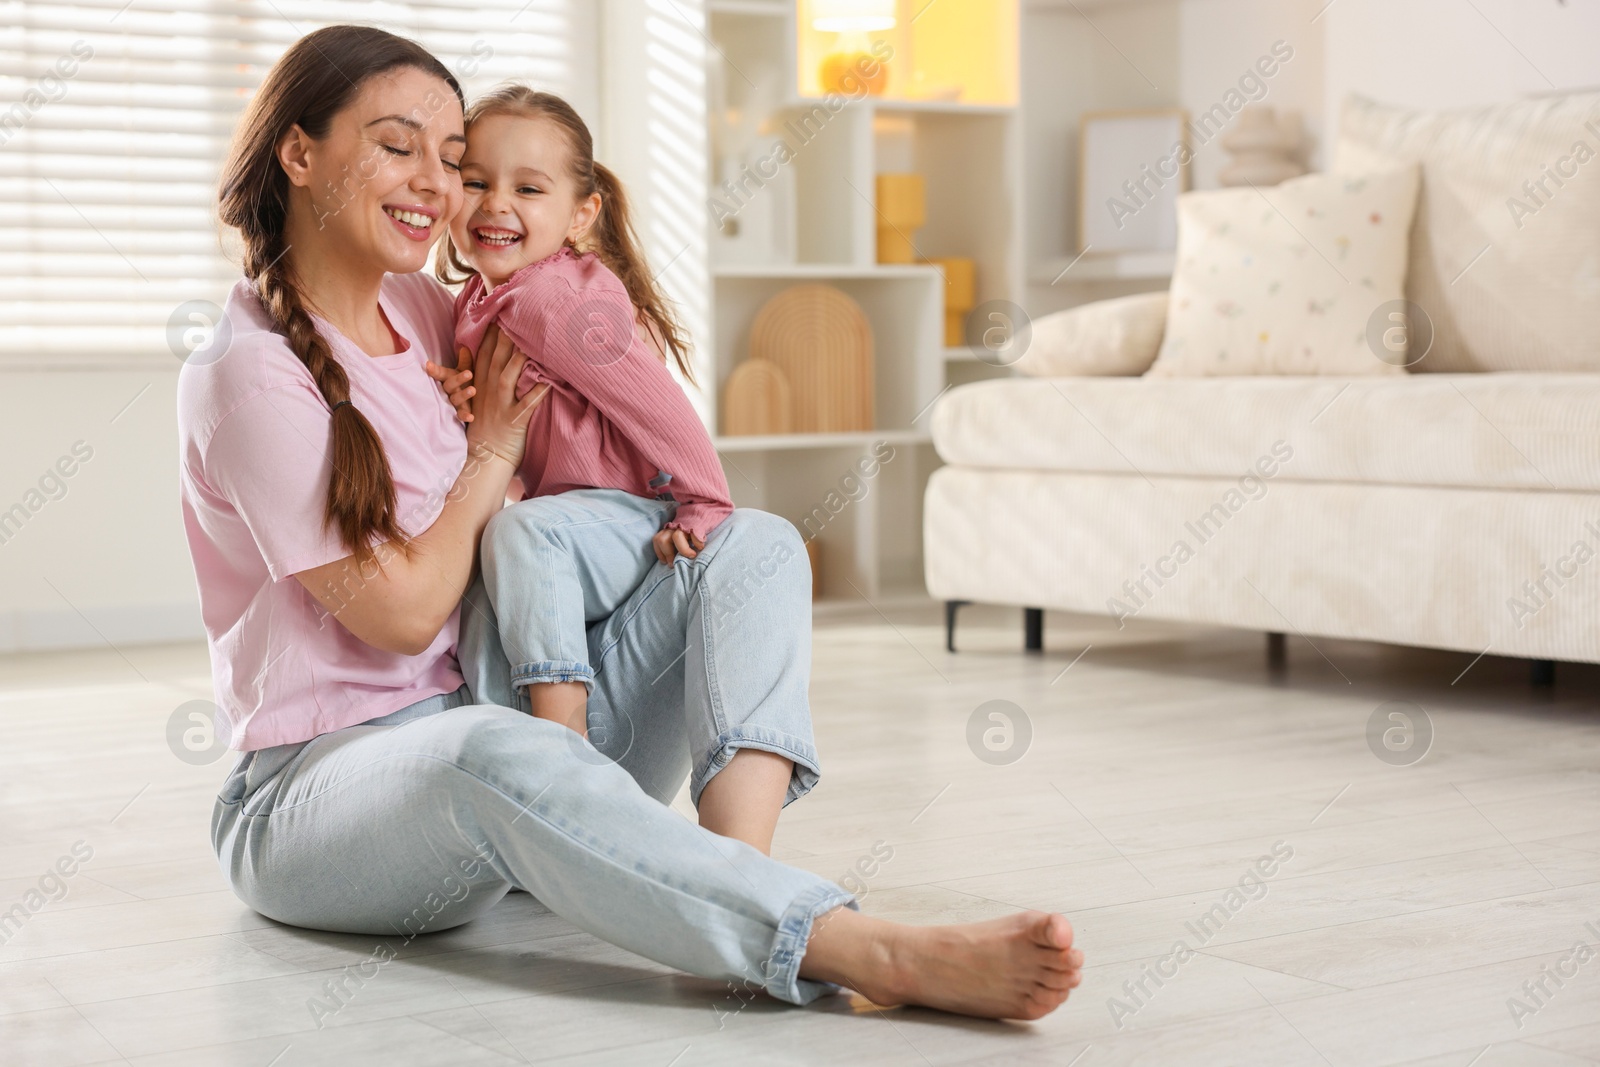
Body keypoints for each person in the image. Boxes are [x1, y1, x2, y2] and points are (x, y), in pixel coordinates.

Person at [180, 23, 1083, 1020]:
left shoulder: (435, 313)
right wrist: (490, 454)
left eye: (450, 158)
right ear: (298, 153)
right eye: (399, 147)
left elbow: (595, 382)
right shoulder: (248, 375)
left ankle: (729, 879)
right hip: (319, 798)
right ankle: (860, 946)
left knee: (759, 541)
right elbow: (398, 615)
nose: (437, 186)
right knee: (495, 751)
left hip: (507, 721)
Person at [424, 87, 747, 816]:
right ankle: (492, 748)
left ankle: (562, 752)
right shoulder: (476, 299)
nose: (493, 204)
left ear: (580, 215)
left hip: (630, 514)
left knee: (517, 531)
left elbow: (657, 403)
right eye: (474, 181)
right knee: (472, 584)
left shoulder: (554, 301)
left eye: (527, 189)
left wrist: (703, 502)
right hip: (572, 525)